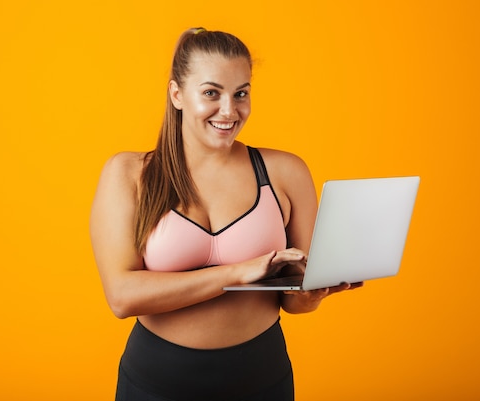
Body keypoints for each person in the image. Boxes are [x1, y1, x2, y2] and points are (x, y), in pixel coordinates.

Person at [90, 27, 362, 401]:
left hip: (262, 378)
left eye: (241, 94)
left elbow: (292, 301)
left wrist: (313, 292)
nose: (229, 111)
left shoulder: (286, 172)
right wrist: (238, 271)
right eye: (211, 93)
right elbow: (122, 296)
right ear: (177, 94)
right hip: (156, 382)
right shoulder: (129, 174)